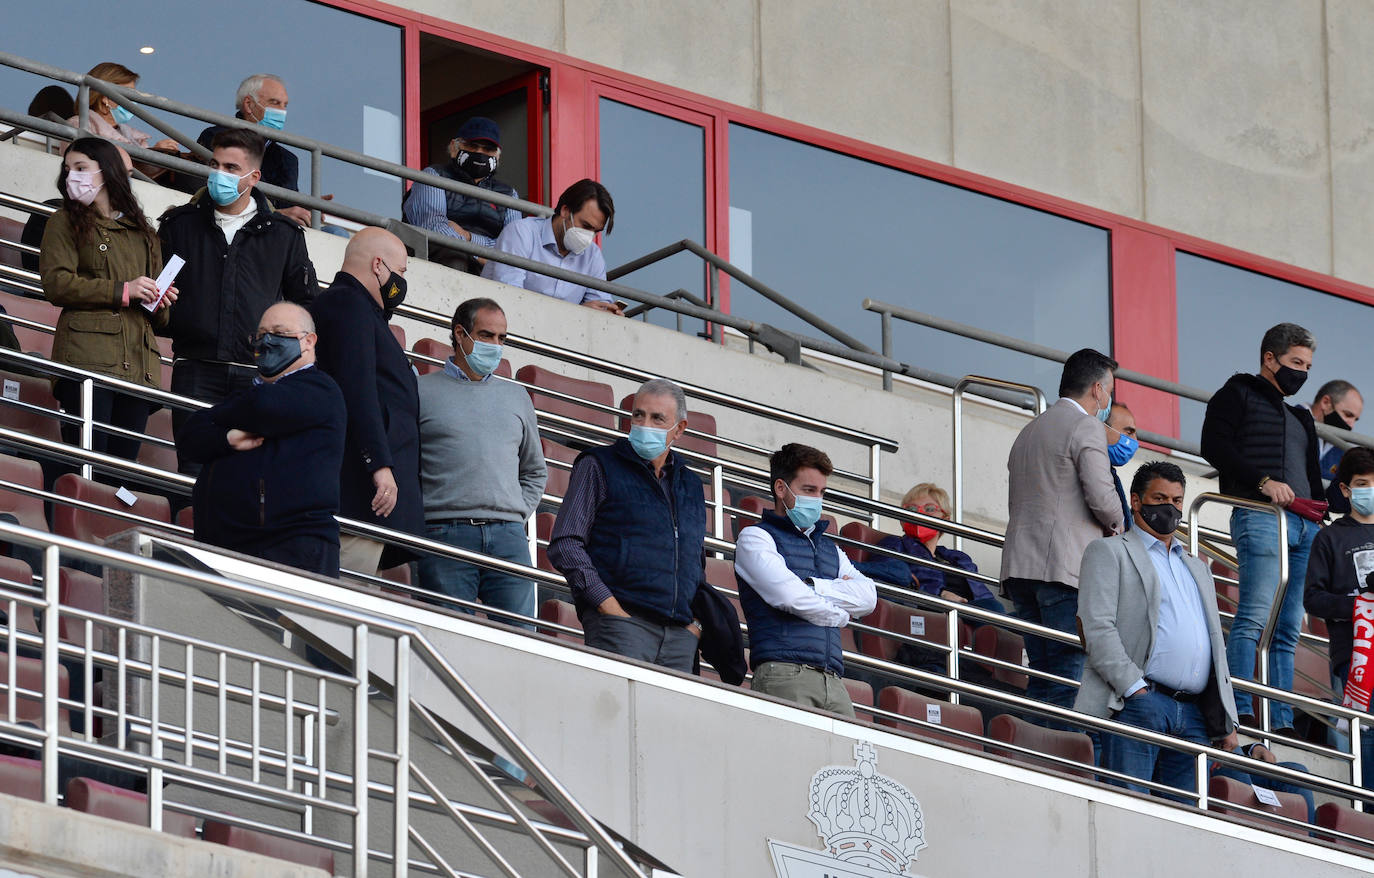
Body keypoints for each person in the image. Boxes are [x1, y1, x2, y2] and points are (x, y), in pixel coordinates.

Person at [1076, 461, 1239, 801]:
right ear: (1136, 501)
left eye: (1178, 501)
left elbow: (1213, 644)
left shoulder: (1196, 566)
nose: (1171, 507)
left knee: (1186, 822)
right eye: (1160, 497)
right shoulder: (1109, 551)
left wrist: (1226, 716)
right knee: (1128, 809)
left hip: (1195, 715)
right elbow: (1096, 627)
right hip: (1140, 703)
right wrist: (1134, 689)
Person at [158, 127, 317, 469]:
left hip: (257, 375)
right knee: (193, 473)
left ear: (253, 177)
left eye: (231, 168)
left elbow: (304, 303)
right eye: (215, 164)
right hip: (194, 368)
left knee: (251, 476)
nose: (219, 174)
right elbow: (157, 289)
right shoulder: (178, 225)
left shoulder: (283, 235)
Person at [1201, 322, 1324, 733]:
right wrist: (1262, 482)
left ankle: (1281, 716)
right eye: (1295, 362)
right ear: (1269, 358)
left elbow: (1312, 480)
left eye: (1307, 365)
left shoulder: (1301, 417)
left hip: (1304, 528)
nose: (1302, 373)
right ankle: (1241, 706)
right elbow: (1214, 446)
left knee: (1288, 628)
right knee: (1253, 619)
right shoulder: (1235, 394)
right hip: (1260, 515)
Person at [176, 303, 346, 577]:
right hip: (227, 551)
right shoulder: (248, 397)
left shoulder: (321, 389)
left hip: (288, 551)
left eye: (279, 332)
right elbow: (190, 436)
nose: (267, 340)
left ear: (309, 341)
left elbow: (265, 407)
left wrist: (219, 416)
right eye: (261, 334)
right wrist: (227, 437)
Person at [547, 378, 705, 671]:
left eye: (658, 418)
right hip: (621, 626)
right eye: (638, 415)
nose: (645, 424)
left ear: (679, 429)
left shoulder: (691, 484)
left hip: (679, 639)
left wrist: (694, 626)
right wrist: (610, 609)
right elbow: (566, 543)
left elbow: (696, 562)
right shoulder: (598, 464)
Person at [1001, 348, 1124, 714]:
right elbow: (1103, 497)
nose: (1109, 399)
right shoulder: (1086, 425)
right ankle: (1057, 760)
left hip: (1021, 568)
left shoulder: (1029, 429)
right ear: (1099, 389)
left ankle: (1034, 752)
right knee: (1068, 680)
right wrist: (1123, 532)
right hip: (1064, 571)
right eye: (1111, 390)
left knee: (1041, 677)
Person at [38, 137, 175, 462]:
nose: (72, 175)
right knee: (86, 466)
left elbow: (160, 320)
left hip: (139, 368)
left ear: (108, 171)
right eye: (68, 168)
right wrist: (124, 290)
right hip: (87, 360)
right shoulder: (63, 220)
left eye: (81, 168)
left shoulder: (145, 232)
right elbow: (56, 283)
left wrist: (160, 299)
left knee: (119, 475)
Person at [416, 297, 546, 628]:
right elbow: (405, 463)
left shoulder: (517, 396)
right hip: (445, 533)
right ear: (460, 334)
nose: (496, 346)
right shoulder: (420, 391)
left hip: (509, 537)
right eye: (487, 335)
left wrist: (515, 513)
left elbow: (534, 470)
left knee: (522, 643)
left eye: (502, 338)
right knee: (447, 638)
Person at [734, 444, 877, 717]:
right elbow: (789, 597)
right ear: (780, 488)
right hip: (783, 673)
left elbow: (868, 597)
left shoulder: (831, 550)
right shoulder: (756, 537)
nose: (817, 499)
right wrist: (841, 613)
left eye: (821, 492)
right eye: (809, 490)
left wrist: (814, 586)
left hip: (833, 679)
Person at [311, 228, 422, 576]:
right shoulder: (348, 304)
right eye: (401, 272)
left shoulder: (361, 310)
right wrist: (379, 464)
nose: (402, 282)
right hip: (358, 492)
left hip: (363, 494)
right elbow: (356, 389)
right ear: (378, 265)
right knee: (344, 607)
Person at [1303, 445, 1374, 787]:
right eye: (1362, 483)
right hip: (1354, 655)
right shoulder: (1328, 538)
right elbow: (1313, 599)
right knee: (1366, 737)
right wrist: (1360, 605)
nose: (1370, 490)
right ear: (1345, 489)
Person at [195, 74, 323, 228]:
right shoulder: (217, 137)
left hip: (276, 232)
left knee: (336, 232)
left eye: (285, 105)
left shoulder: (288, 159)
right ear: (249, 105)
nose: (282, 112)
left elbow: (287, 206)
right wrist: (274, 214)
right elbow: (220, 195)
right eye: (274, 103)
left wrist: (307, 208)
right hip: (232, 225)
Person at [482, 178, 622, 314]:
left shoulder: (593, 255)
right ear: (565, 211)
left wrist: (608, 312)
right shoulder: (521, 232)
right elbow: (509, 297)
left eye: (596, 231)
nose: (589, 236)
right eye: (585, 226)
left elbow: (600, 308)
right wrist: (578, 313)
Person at [402, 117, 520, 272]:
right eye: (472, 146)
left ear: (497, 157)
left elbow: (513, 248)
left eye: (487, 150)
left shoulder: (509, 195)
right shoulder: (435, 175)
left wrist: (469, 238)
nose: (479, 153)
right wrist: (484, 255)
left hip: (486, 268)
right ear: (454, 147)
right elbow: (434, 227)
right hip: (440, 261)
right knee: (454, 253)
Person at [873, 483, 1004, 614]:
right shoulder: (893, 544)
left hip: (974, 611)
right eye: (912, 509)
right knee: (994, 610)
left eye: (929, 509)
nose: (920, 514)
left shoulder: (958, 559)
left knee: (1014, 618)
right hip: (935, 611)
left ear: (945, 519)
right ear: (902, 520)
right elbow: (890, 579)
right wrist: (940, 594)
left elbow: (983, 596)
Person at [67, 63, 179, 154]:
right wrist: (153, 154)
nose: (133, 100)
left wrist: (157, 153)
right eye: (128, 93)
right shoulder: (79, 126)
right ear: (105, 97)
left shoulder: (133, 136)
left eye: (134, 94)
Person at [1209, 741, 1316, 823]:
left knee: (1297, 772)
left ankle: (1312, 844)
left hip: (1223, 751)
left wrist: (1252, 749)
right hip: (1206, 761)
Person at [1307, 379, 1363, 514]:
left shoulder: (1341, 451)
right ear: (1325, 403)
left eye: (1355, 419)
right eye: (1348, 415)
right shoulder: (1288, 422)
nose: (1351, 425)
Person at [1106, 403, 1139, 531]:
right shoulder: (1085, 469)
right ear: (1102, 427)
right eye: (1129, 432)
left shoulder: (1110, 474)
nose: (1135, 441)